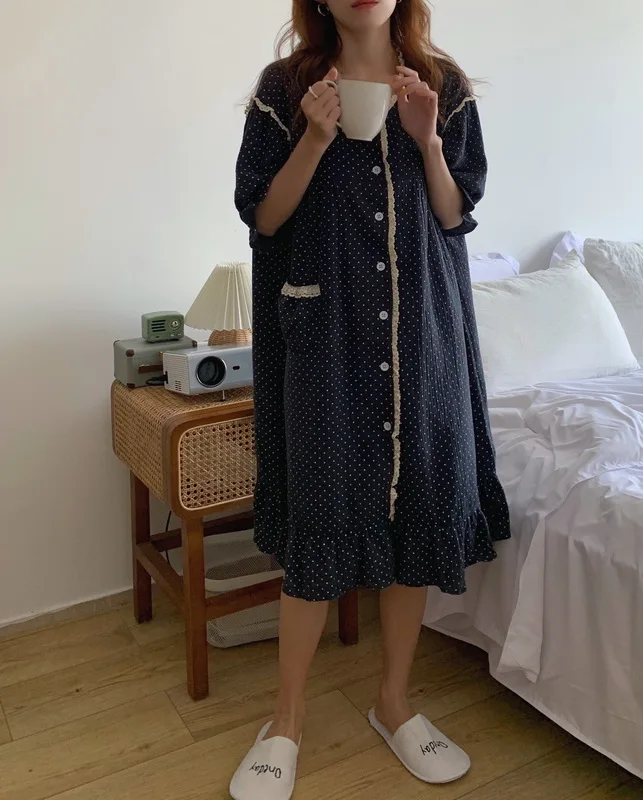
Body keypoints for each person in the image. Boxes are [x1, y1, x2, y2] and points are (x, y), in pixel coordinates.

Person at [230, 1, 510, 797]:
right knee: (318, 519)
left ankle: (393, 703)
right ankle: (285, 721)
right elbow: (265, 216)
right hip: (326, 339)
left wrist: (426, 138)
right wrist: (315, 137)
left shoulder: (443, 86)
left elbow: (454, 215)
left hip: (421, 338)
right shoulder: (284, 90)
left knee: (416, 509)